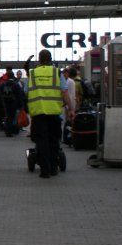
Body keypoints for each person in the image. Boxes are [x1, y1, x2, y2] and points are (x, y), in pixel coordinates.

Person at [27, 49, 74, 179]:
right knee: (54, 141)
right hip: (54, 113)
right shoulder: (57, 73)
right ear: (51, 59)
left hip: (38, 113)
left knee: (41, 142)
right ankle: (53, 168)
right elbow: (65, 93)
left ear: (39, 59)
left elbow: (27, 92)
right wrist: (71, 109)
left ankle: (44, 170)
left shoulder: (32, 74)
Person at [0, 70, 24, 136]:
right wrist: (21, 105)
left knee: (7, 117)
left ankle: (8, 129)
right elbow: (20, 95)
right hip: (13, 104)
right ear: (13, 76)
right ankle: (10, 131)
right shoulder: (16, 84)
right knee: (12, 117)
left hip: (5, 104)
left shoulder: (3, 84)